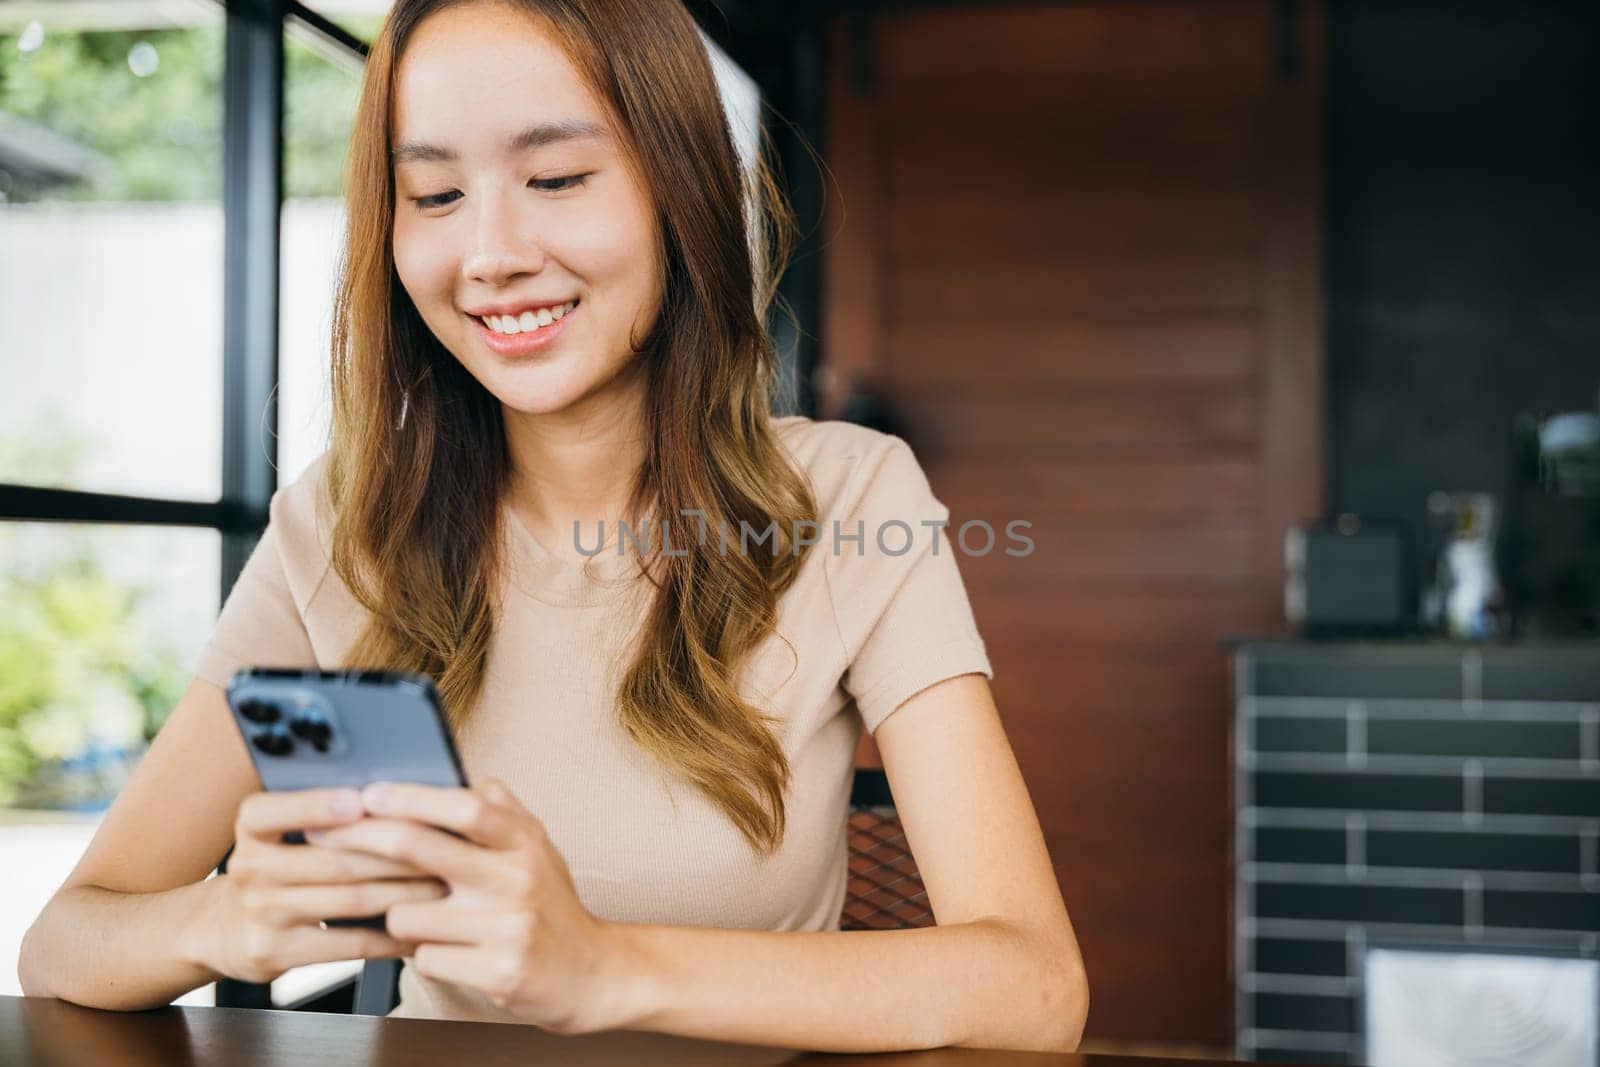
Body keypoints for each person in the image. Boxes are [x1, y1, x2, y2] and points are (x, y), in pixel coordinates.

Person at [18, 0, 1088, 1058]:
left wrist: (599, 965)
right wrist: (219, 919)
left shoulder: (849, 499)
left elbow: (1032, 985)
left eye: (558, 179)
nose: (489, 254)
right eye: (433, 193)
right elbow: (63, 942)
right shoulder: (345, 518)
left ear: (680, 188)